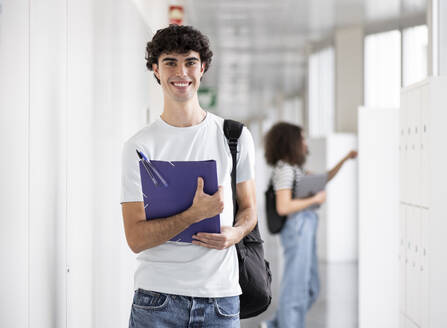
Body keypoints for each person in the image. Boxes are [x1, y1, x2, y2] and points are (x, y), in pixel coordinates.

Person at [120, 25, 257, 328]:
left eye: (190, 62)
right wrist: (193, 215)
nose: (181, 72)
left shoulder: (233, 137)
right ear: (155, 69)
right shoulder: (139, 148)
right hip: (157, 300)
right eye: (170, 62)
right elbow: (136, 238)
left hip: (220, 299)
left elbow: (249, 209)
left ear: (203, 67)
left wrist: (235, 234)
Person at [263, 122, 357, 328]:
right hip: (297, 230)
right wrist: (314, 201)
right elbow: (284, 206)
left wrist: (345, 160)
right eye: (303, 138)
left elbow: (324, 178)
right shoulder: (285, 171)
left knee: (311, 287)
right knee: (296, 289)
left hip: (305, 228)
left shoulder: (296, 169)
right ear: (292, 142)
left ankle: (275, 324)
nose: (305, 143)